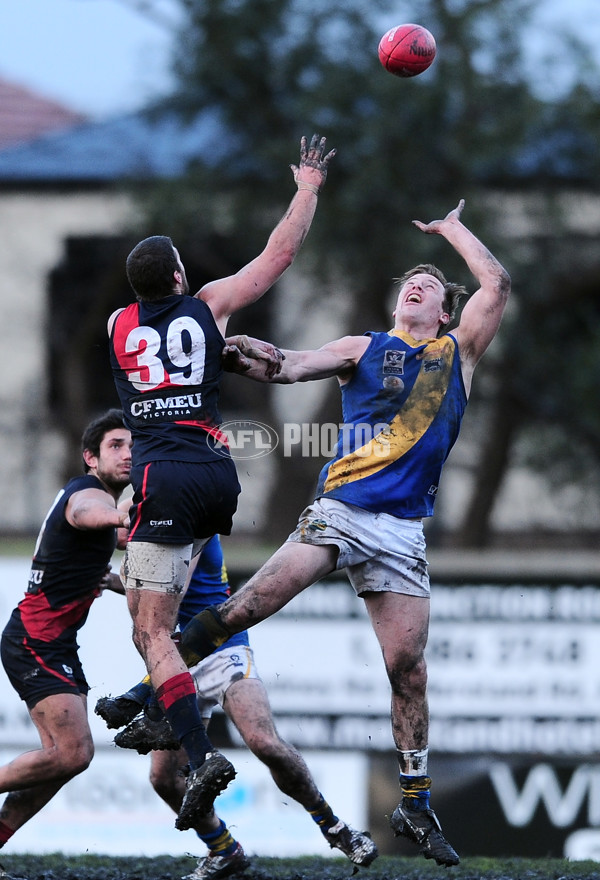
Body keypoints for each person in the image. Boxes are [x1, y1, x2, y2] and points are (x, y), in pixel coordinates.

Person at [175, 200, 512, 866]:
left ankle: (414, 803)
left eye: (433, 287)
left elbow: (496, 284)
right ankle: (152, 690)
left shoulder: (457, 353)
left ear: (446, 311)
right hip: (342, 509)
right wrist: (239, 351)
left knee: (407, 670)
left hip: (404, 531)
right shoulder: (365, 347)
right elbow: (291, 363)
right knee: (252, 605)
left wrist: (451, 231)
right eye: (410, 283)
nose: (417, 285)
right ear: (400, 304)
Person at [107, 133, 336, 832]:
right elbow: (279, 256)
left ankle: (191, 743)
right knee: (175, 613)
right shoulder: (207, 307)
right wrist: (306, 188)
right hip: (216, 474)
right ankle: (152, 709)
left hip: (164, 479)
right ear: (179, 278)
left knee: (153, 632)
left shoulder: (119, 324)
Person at [96, 536, 378, 880]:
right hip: (171, 658)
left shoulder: (189, 517)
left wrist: (115, 576)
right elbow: (121, 529)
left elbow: (171, 586)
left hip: (219, 648)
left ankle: (334, 827)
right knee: (164, 778)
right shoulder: (147, 505)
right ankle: (224, 849)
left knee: (264, 742)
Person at [0, 409, 132, 877]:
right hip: (35, 640)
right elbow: (85, 514)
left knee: (62, 762)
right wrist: (119, 515)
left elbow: (104, 553)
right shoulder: (88, 494)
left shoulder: (101, 504)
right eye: (116, 445)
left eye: (132, 445)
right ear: (90, 457)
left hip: (53, 643)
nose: (128, 453)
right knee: (73, 753)